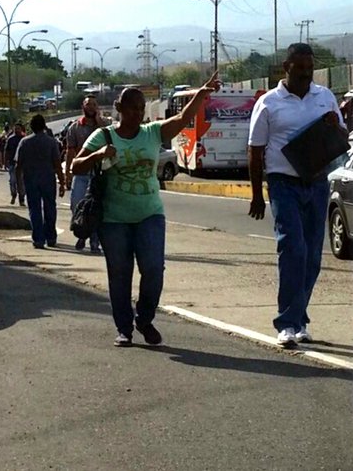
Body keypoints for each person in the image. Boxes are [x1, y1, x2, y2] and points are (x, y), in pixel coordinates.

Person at [72, 73, 221, 347]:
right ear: (119, 109)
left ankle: (144, 318)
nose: (138, 113)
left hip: (150, 214)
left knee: (153, 269)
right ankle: (124, 328)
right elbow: (75, 166)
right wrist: (97, 155)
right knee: (119, 274)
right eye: (133, 108)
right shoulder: (102, 135)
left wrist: (201, 94)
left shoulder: (152, 133)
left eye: (142, 108)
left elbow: (181, 120)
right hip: (113, 219)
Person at [248, 43, 346, 348]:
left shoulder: (325, 97)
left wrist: (334, 127)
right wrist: (256, 196)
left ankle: (300, 318)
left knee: (313, 256)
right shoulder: (268, 103)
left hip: (317, 183)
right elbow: (255, 151)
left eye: (309, 68)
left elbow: (343, 137)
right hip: (283, 184)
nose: (306, 73)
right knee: (293, 249)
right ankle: (287, 323)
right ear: (286, 67)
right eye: (299, 67)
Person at [15, 114, 66, 249]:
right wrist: (62, 183)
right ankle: (51, 237)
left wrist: (19, 184)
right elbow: (57, 164)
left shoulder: (24, 142)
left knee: (34, 209)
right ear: (44, 126)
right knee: (50, 208)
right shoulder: (51, 142)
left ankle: (38, 239)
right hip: (48, 179)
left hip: (31, 179)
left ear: (30, 127)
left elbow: (18, 165)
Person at [65, 96, 108, 253]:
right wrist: (67, 173)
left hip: (99, 174)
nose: (91, 107)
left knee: (97, 208)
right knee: (76, 204)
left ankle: (94, 240)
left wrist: (99, 122)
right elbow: (70, 152)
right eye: (88, 104)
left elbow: (111, 139)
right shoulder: (75, 128)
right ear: (82, 106)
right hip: (81, 173)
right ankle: (82, 230)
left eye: (94, 105)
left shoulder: (104, 126)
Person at [4, 122, 26, 205]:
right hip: (12, 164)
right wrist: (5, 161)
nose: (17, 130)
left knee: (22, 182)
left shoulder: (25, 139)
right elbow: (7, 151)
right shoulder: (10, 139)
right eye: (15, 128)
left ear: (21, 129)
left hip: (23, 164)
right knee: (13, 181)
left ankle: (22, 199)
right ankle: (13, 195)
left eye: (18, 128)